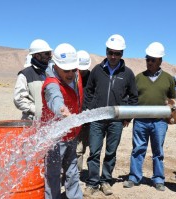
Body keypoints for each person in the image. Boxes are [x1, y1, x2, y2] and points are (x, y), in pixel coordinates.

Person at [83, 34, 138, 196]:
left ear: (122, 54)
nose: (113, 56)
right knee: (94, 152)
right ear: (106, 51)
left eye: (117, 53)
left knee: (111, 152)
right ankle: (92, 182)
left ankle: (106, 181)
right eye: (111, 52)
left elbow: (133, 97)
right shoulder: (97, 71)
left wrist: (127, 116)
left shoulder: (127, 73)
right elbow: (89, 91)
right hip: (97, 119)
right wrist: (88, 111)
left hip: (116, 121)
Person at [123, 42, 176, 191]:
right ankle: (134, 177)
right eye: (147, 59)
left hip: (160, 122)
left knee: (158, 151)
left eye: (153, 60)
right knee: (138, 149)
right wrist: (128, 117)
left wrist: (170, 117)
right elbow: (132, 99)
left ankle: (158, 179)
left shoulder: (168, 79)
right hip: (140, 121)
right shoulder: (139, 78)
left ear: (160, 60)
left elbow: (172, 99)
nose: (149, 62)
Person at [41, 43, 83, 199]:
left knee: (73, 171)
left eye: (73, 69)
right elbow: (54, 98)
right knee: (53, 175)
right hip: (55, 138)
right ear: (56, 66)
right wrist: (62, 109)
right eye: (66, 70)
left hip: (72, 133)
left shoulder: (76, 74)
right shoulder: (51, 83)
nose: (71, 73)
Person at [14, 39, 52, 120]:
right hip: (32, 123)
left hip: (49, 122)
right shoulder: (25, 74)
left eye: (50, 53)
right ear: (37, 56)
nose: (50, 56)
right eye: (47, 53)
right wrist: (36, 110)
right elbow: (19, 99)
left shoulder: (50, 73)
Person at [76, 50, 91, 173]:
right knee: (77, 149)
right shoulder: (71, 77)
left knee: (89, 148)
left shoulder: (93, 78)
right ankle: (74, 173)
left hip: (89, 120)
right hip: (74, 119)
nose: (81, 71)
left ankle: (86, 174)